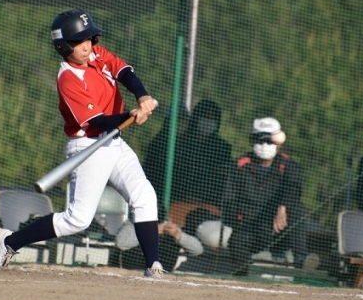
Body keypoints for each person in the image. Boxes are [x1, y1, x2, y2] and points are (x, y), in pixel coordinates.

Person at [0, 9, 163, 278]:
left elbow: (123, 71)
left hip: (115, 143)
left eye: (89, 38)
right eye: (78, 41)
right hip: (88, 146)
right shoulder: (68, 78)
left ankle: (153, 266)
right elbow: (98, 122)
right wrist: (129, 115)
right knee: (77, 220)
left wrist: (142, 96)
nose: (86, 45)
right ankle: (9, 242)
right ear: (63, 46)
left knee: (144, 196)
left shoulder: (95, 54)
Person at [222, 117, 318, 274]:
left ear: (278, 143)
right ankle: (243, 276)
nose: (264, 145)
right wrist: (242, 222)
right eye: (260, 140)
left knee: (296, 208)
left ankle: (301, 257)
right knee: (237, 240)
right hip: (252, 230)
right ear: (252, 140)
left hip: (279, 230)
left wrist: (282, 207)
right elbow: (229, 201)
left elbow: (294, 188)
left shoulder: (288, 165)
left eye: (269, 141)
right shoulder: (239, 166)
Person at [167, 100, 232, 230]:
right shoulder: (180, 143)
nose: (208, 122)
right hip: (178, 201)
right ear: (196, 117)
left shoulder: (223, 148)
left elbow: (223, 180)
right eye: (205, 117)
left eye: (212, 119)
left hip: (209, 206)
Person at [115, 217, 203, 272]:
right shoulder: (133, 223)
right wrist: (149, 232)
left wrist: (178, 235)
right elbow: (121, 243)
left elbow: (198, 250)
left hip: (164, 275)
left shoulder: (167, 227)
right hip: (133, 272)